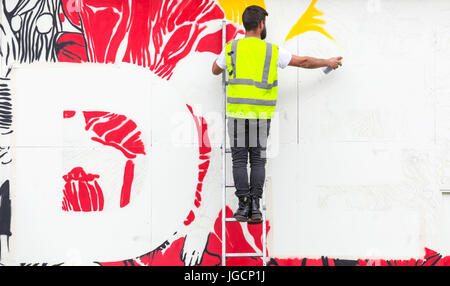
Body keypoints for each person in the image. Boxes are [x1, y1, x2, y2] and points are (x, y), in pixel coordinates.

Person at [212, 5, 342, 224]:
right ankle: (255, 207)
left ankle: (243, 205)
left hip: (236, 115)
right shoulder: (271, 51)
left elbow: (215, 69)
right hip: (261, 116)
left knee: (239, 160)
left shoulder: (231, 48)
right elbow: (303, 62)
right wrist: (327, 62)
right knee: (258, 161)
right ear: (262, 24)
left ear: (245, 25)